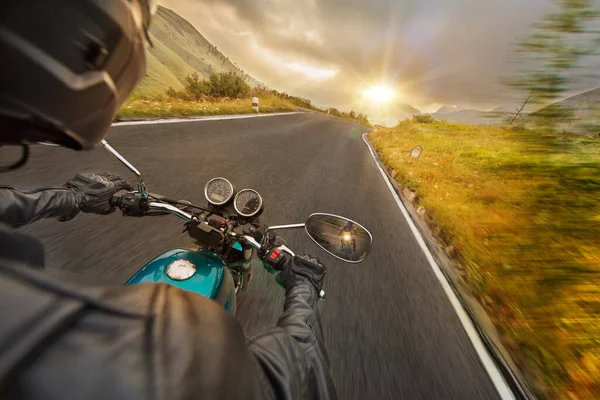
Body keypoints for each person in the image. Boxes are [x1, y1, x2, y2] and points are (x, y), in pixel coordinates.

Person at [0, 1, 336, 399]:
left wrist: (71, 196)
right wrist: (304, 291)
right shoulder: (164, 366)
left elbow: (11, 203)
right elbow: (291, 376)